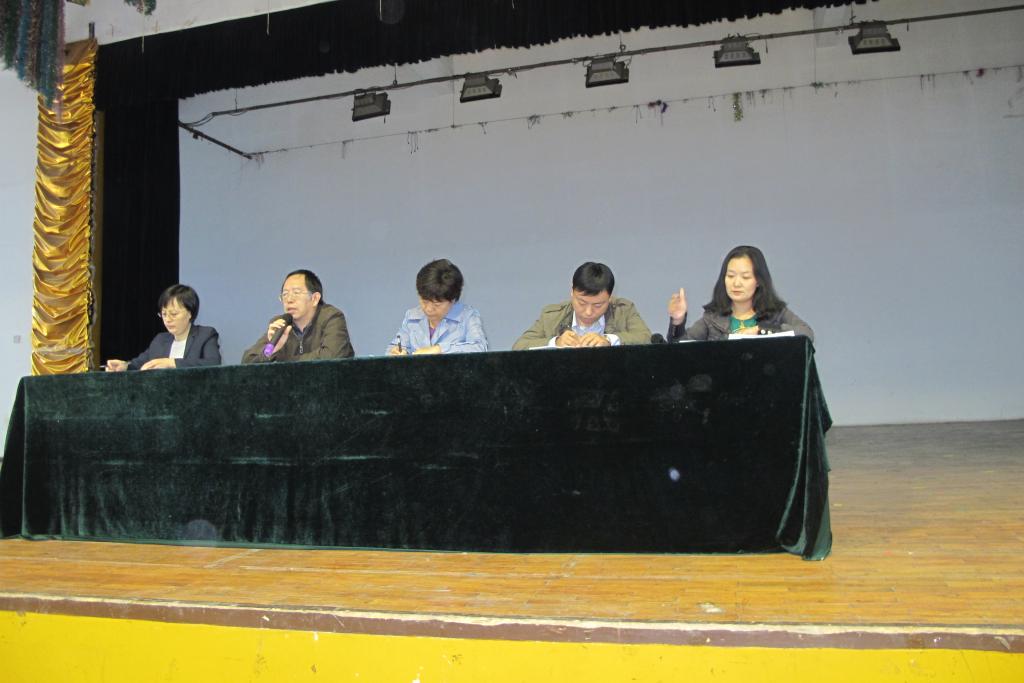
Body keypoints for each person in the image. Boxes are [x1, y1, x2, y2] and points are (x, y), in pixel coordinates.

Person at [667, 245, 814, 342]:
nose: (736, 283)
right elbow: (680, 349)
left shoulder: (777, 314)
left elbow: (806, 333)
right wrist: (678, 321)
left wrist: (762, 331)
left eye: (745, 277)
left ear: (758, 281)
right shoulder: (712, 318)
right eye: (730, 276)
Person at [513, 262, 651, 350]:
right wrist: (556, 342)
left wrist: (609, 340)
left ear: (609, 298)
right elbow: (519, 347)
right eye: (582, 303)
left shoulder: (624, 311)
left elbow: (647, 339)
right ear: (572, 291)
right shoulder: (552, 316)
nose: (588, 312)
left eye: (598, 305)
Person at [241, 269, 354, 363]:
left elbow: (331, 357)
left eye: (296, 292)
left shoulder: (331, 317)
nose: (289, 300)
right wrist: (270, 352)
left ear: (315, 298)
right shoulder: (280, 324)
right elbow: (247, 361)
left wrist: (281, 361)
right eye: (285, 294)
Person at [105, 284, 221, 371]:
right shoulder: (160, 340)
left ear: (190, 313)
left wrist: (171, 363)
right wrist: (124, 366)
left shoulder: (205, 335)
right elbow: (138, 364)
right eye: (164, 314)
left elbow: (213, 363)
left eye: (174, 314)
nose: (167, 319)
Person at [387, 259, 488, 355]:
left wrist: (439, 349)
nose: (428, 309)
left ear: (453, 300)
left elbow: (480, 348)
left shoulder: (468, 317)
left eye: (436, 304)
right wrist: (395, 352)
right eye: (424, 301)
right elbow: (394, 348)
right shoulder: (411, 316)